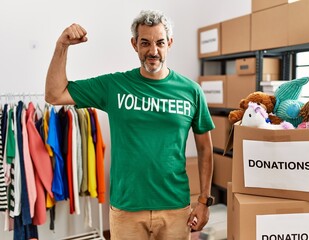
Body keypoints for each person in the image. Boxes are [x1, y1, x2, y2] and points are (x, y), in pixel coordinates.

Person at [45, 9, 215, 240]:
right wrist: (61, 46)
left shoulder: (191, 91)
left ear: (170, 43)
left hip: (175, 207)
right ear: (134, 44)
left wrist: (204, 201)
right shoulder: (114, 86)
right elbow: (55, 94)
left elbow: (205, 149)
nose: (153, 51)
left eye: (160, 43)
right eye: (145, 43)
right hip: (127, 209)